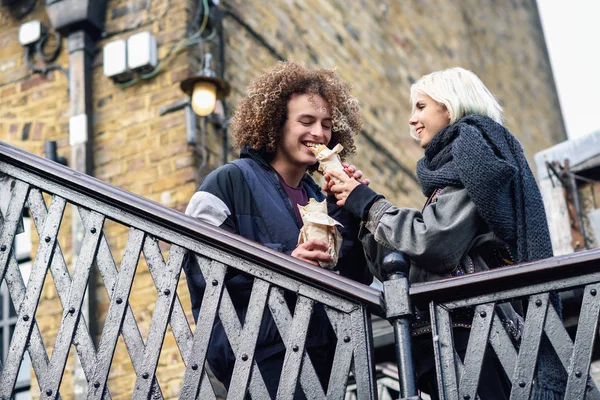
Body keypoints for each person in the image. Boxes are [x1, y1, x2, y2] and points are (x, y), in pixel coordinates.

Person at [325, 67, 565, 399]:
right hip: (454, 333)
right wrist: (359, 212)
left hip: (476, 333)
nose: (412, 120)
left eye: (421, 106)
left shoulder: (472, 151)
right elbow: (400, 265)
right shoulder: (454, 170)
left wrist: (369, 204)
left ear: (449, 107)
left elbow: (434, 242)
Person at [183, 60, 372, 398]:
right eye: (306, 121)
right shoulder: (229, 180)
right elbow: (202, 267)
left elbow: (355, 278)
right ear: (275, 124)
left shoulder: (320, 196)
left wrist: (351, 209)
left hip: (323, 356)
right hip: (257, 352)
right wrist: (287, 264)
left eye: (327, 124)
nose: (319, 133)